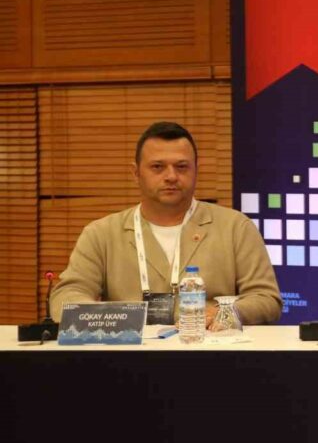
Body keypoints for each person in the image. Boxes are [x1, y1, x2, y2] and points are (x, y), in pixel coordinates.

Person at [50, 122, 282, 325]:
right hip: (129, 355)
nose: (171, 176)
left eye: (181, 167)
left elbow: (266, 299)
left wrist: (224, 314)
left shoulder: (235, 227)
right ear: (136, 173)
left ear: (196, 170)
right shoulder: (101, 233)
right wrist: (112, 318)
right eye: (157, 167)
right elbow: (66, 296)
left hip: (210, 351)